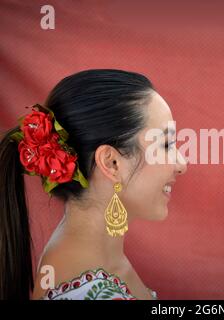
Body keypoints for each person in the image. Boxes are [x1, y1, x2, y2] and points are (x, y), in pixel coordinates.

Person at [0, 69, 187, 300]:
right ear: (112, 163)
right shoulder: (88, 290)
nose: (181, 164)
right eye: (166, 145)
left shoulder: (89, 253)